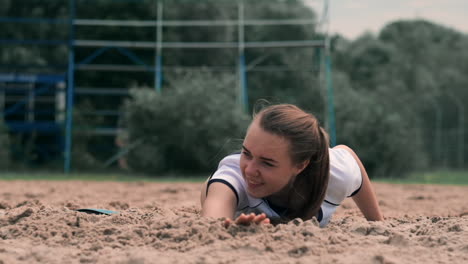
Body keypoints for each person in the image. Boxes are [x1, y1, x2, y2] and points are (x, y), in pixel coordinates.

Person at [200, 103, 383, 227]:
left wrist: (377, 221)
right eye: (246, 153)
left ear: (300, 166)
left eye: (267, 163)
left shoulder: (336, 173)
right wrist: (232, 230)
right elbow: (212, 223)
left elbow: (348, 156)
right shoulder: (232, 177)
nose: (249, 169)